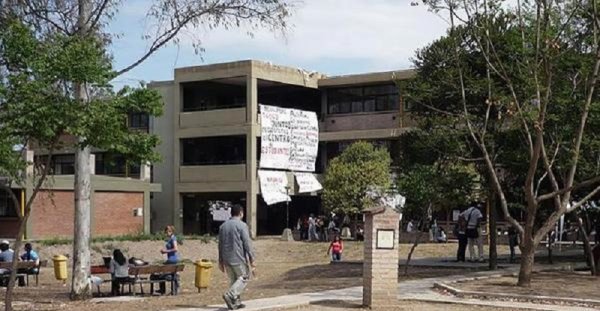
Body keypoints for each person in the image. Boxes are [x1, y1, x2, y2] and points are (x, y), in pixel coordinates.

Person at [219, 204, 255, 310]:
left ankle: (236, 302)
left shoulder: (223, 226)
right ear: (241, 213)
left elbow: (220, 244)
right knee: (244, 277)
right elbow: (247, 243)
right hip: (238, 257)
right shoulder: (242, 225)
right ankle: (231, 295)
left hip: (226, 258)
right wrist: (252, 258)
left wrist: (220, 260)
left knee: (234, 280)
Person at [154, 225, 180, 295]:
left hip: (172, 260)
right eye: (166, 232)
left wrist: (165, 251)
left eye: (168, 232)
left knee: (161, 271)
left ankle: (162, 290)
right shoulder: (170, 239)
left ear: (171, 231)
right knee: (170, 273)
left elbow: (175, 249)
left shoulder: (173, 238)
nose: (166, 233)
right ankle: (173, 289)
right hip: (171, 259)